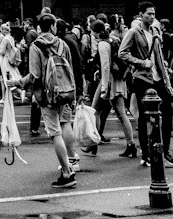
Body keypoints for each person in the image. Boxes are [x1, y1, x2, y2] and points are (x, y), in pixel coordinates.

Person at [118, 2, 173, 168]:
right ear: (141, 14)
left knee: (167, 112)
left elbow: (159, 58)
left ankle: (164, 151)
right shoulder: (133, 32)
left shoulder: (155, 31)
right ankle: (146, 154)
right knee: (145, 118)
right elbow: (122, 53)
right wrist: (141, 63)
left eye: (153, 14)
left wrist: (167, 81)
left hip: (157, 78)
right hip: (142, 79)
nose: (152, 17)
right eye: (148, 14)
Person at [28, 11, 79, 188]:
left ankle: (66, 173)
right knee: (66, 123)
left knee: (54, 133)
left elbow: (34, 76)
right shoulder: (62, 44)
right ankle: (72, 161)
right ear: (53, 26)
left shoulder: (35, 46)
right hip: (65, 91)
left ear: (39, 28)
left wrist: (19, 83)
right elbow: (70, 68)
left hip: (47, 95)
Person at [90, 18, 135, 156]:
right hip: (117, 80)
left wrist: (104, 87)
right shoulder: (112, 40)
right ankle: (130, 144)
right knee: (120, 113)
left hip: (109, 82)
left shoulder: (102, 44)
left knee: (95, 111)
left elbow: (105, 66)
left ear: (95, 32)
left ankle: (94, 143)